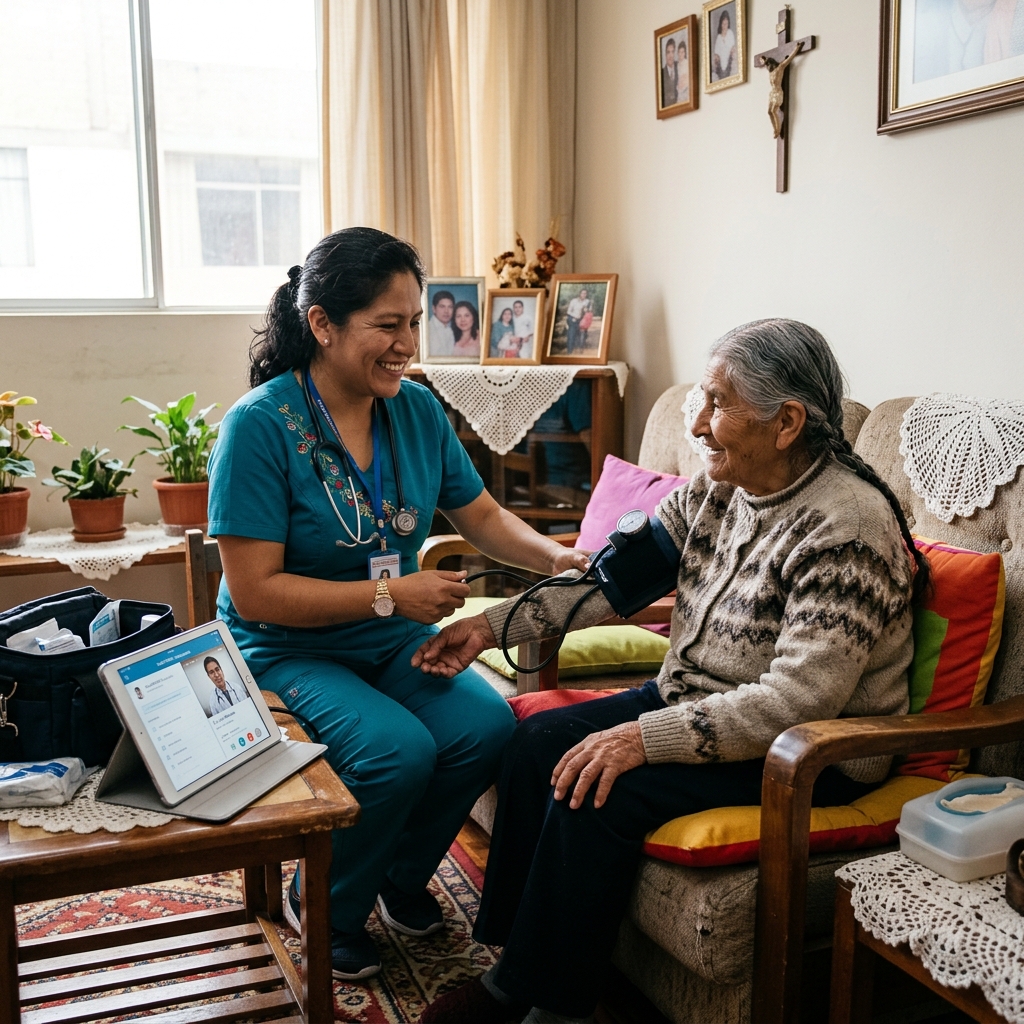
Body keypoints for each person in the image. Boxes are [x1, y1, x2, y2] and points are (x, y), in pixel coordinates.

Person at [413, 318, 929, 1024]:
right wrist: (485, 626)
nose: (700, 424)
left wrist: (640, 739)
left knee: (599, 783)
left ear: (786, 423)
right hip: (695, 700)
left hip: (810, 747)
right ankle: (517, 973)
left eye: (718, 403)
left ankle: (557, 1009)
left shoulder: (846, 526)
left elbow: (796, 699)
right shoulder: (719, 489)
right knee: (533, 745)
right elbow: (604, 586)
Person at [208, 226, 590, 982]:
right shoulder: (258, 427)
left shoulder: (413, 409)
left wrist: (558, 556)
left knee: (485, 725)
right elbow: (256, 591)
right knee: (396, 752)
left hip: (385, 635)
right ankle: (324, 901)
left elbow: (479, 514)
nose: (407, 343)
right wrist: (392, 591)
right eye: (387, 324)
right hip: (283, 644)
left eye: (414, 321)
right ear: (322, 324)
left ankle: (398, 873)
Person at [428, 290, 455, 358]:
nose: (446, 311)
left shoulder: (458, 327)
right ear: (434, 309)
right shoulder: (427, 329)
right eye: (442, 306)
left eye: (450, 307)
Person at [564, 289, 590, 354]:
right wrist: (574, 317)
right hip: (573, 319)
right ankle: (569, 351)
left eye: (585, 293)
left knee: (582, 335)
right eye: (582, 293)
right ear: (580, 294)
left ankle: (580, 351)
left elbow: (589, 311)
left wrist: (586, 310)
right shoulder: (574, 301)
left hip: (581, 321)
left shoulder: (587, 301)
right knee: (572, 335)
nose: (584, 295)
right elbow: (568, 311)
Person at [713, 9, 737, 80]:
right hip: (721, 60)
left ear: (728, 24)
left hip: (729, 57)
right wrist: (717, 57)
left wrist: (730, 52)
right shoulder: (719, 37)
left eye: (726, 24)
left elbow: (732, 47)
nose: (724, 26)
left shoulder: (730, 33)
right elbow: (716, 52)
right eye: (723, 24)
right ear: (721, 24)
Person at [661, 36, 678, 106]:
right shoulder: (661, 73)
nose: (670, 56)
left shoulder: (680, 67)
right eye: (668, 52)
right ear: (665, 54)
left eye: (672, 52)